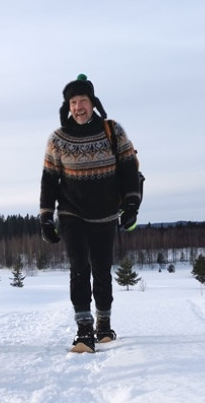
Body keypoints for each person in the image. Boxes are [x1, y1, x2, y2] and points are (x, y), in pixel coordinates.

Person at [39, 73, 142, 353]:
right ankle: (84, 331)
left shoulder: (112, 131)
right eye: (73, 102)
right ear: (68, 106)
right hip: (72, 213)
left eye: (82, 100)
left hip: (106, 215)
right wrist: (46, 216)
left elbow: (129, 170)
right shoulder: (58, 139)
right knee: (79, 269)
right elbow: (49, 180)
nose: (78, 107)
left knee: (101, 269)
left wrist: (131, 205)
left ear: (92, 102)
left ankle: (103, 324)